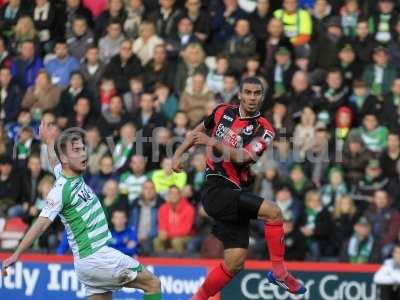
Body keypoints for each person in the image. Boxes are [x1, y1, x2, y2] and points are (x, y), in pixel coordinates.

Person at [172, 76, 306, 299]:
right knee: (274, 212)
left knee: (234, 263)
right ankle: (279, 272)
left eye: (257, 93)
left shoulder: (265, 129)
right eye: (248, 92)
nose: (252, 97)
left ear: (262, 97)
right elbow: (196, 133)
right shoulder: (221, 111)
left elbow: (244, 157)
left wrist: (211, 142)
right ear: (240, 94)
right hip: (216, 188)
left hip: (235, 192)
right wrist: (177, 155)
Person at [2, 119, 162, 300]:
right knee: (153, 284)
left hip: (85, 265)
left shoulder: (66, 175)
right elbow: (41, 223)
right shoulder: (60, 191)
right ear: (65, 158)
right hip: (97, 256)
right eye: (76, 150)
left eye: (83, 148)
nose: (83, 153)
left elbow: (55, 161)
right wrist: (16, 254)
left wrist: (48, 142)